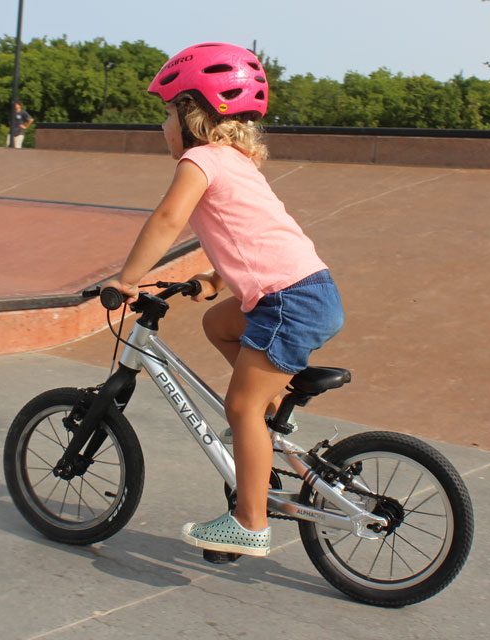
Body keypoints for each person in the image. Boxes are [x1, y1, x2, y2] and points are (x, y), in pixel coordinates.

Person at [105, 43, 344, 558]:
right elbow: (254, 236)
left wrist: (128, 278)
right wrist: (213, 279)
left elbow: (168, 220)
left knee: (240, 406)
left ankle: (250, 522)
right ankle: (273, 411)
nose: (162, 125)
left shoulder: (199, 160)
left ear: (191, 113)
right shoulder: (237, 162)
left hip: (287, 302)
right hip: (309, 290)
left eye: (167, 113)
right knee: (219, 323)